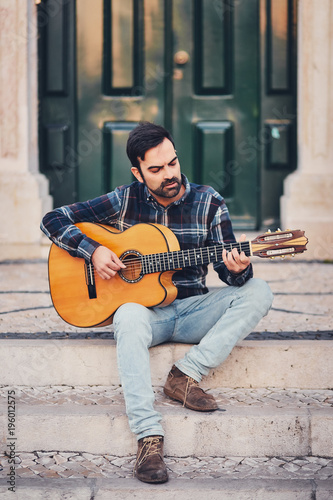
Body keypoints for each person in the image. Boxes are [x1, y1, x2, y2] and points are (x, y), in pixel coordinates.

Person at [41, 121, 273, 484]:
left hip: (194, 309)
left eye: (173, 163)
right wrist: (93, 250)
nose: (169, 175)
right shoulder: (124, 199)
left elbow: (230, 279)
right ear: (137, 171)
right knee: (129, 313)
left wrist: (239, 268)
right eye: (156, 169)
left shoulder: (209, 201)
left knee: (260, 291)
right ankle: (149, 436)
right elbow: (52, 219)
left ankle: (185, 374)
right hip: (148, 316)